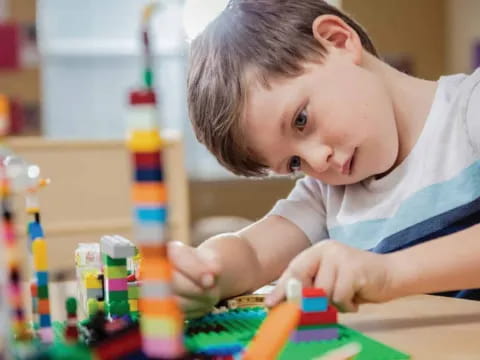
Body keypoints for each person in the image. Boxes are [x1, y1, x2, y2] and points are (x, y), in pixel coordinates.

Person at [169, 0, 480, 319]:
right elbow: (252, 253)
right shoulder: (326, 194)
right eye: (293, 163)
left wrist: (389, 273)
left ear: (337, 40)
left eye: (301, 120)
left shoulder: (470, 108)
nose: (317, 162)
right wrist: (204, 271)